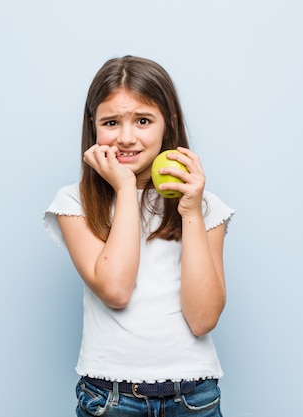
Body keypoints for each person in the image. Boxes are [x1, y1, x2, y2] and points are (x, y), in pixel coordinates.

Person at [43, 55, 234, 417]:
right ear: (93, 125)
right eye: (111, 122)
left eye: (143, 120)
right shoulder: (74, 202)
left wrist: (191, 210)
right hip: (110, 399)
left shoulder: (205, 206)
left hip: (193, 398)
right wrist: (126, 189)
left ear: (168, 124)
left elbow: (203, 318)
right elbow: (116, 289)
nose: (126, 137)